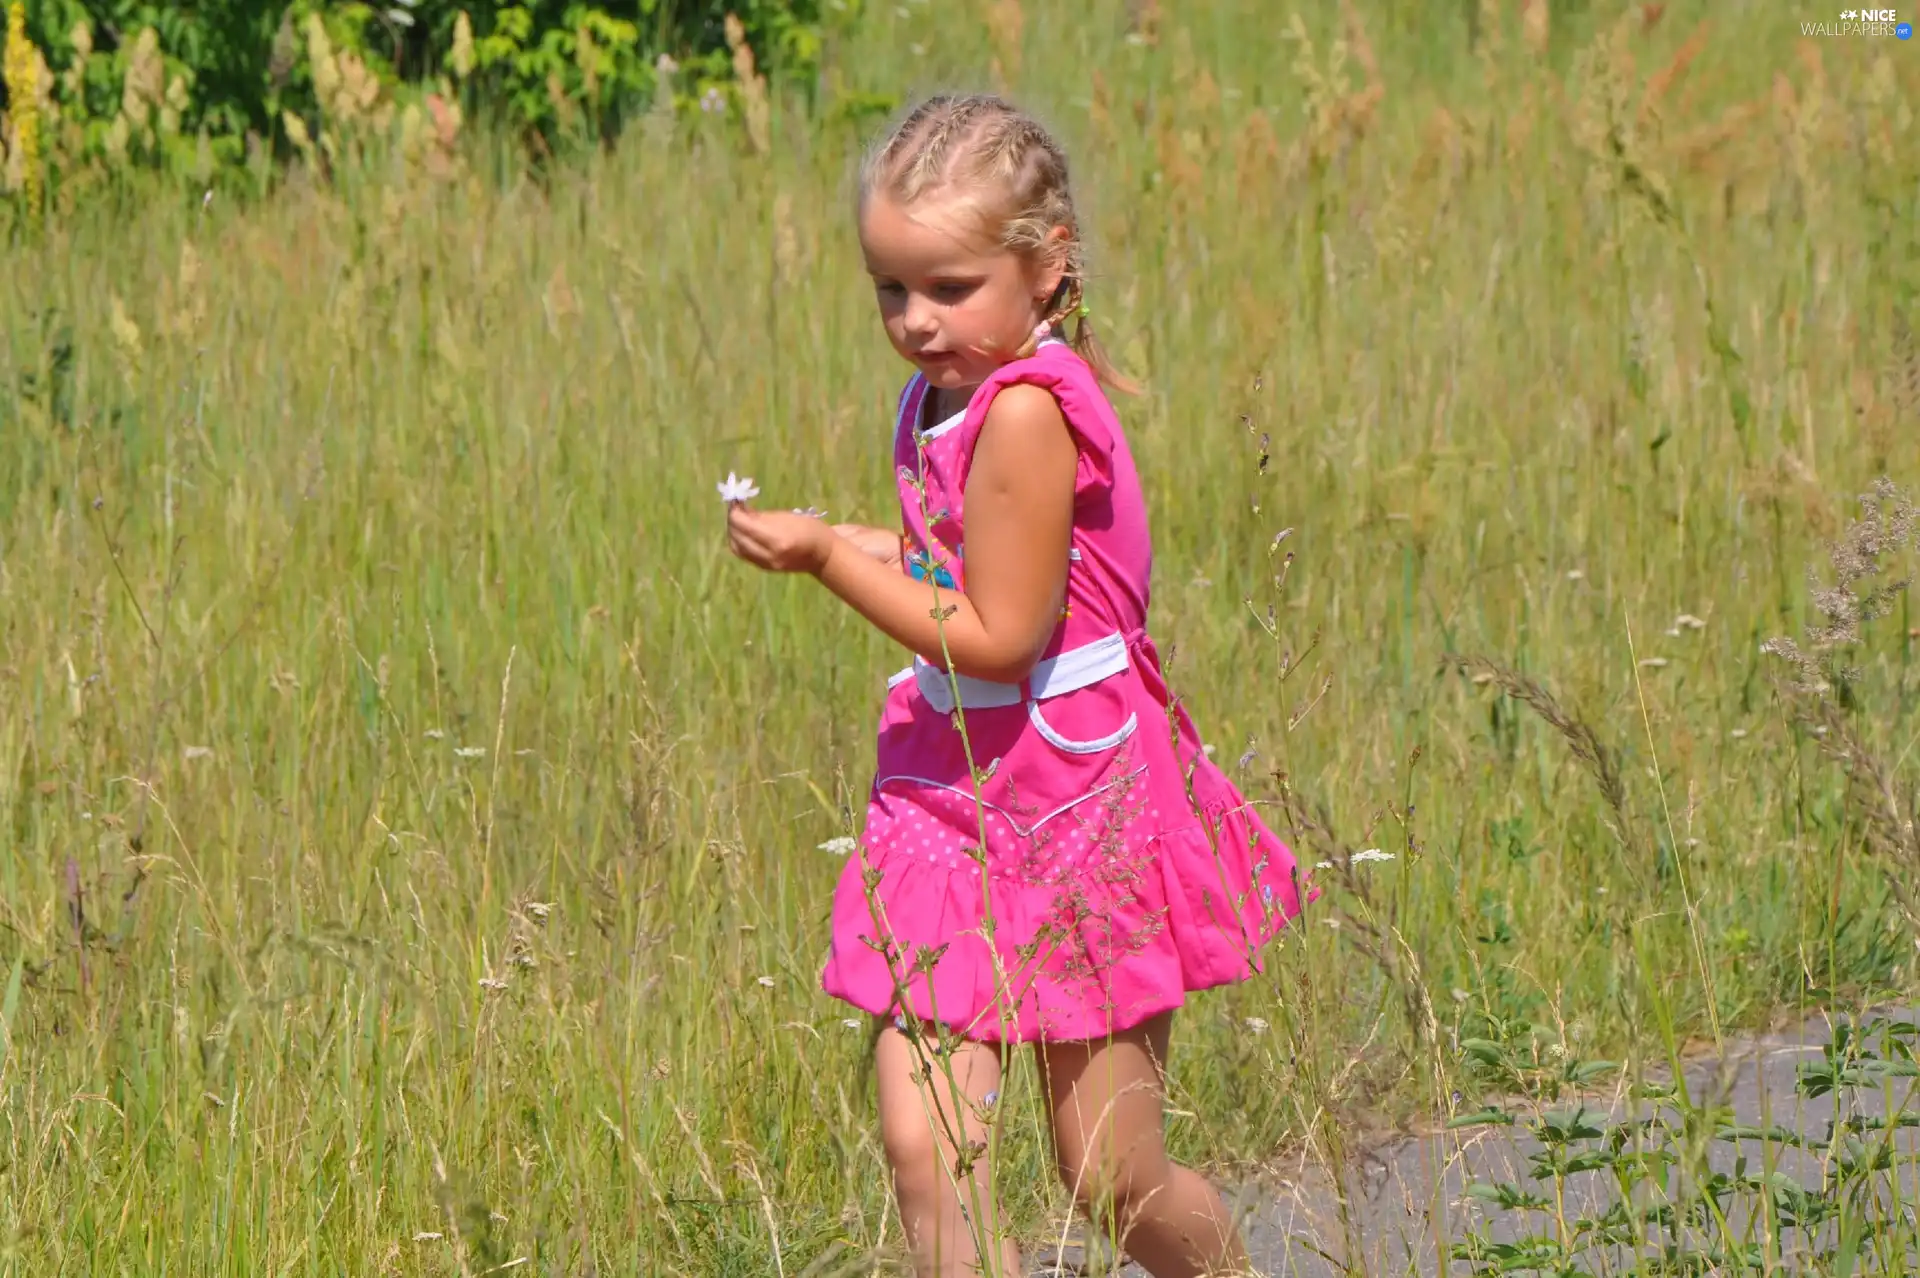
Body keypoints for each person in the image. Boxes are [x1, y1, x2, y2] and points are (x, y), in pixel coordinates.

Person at [724, 93, 1310, 1278]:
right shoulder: (944, 398)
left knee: (1110, 1173)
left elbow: (995, 634)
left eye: (948, 288)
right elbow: (960, 567)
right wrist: (842, 532)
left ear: (1045, 271)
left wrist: (833, 560)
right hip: (954, 802)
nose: (916, 321)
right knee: (927, 1147)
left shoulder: (1030, 413)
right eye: (892, 290)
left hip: (1079, 797)